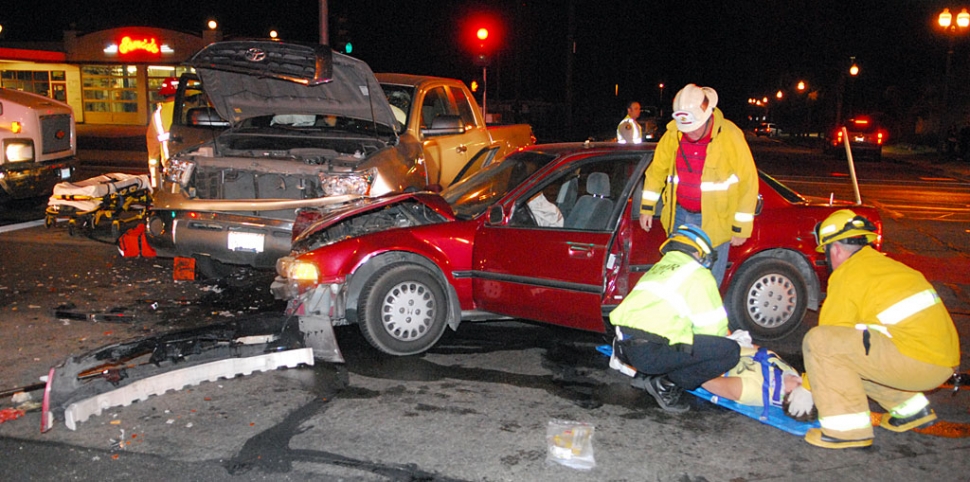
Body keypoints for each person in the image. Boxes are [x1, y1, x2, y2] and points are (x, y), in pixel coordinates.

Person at [793, 209, 960, 449]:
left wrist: (807, 388)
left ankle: (847, 431)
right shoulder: (885, 267)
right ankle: (911, 410)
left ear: (835, 249)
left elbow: (828, 336)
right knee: (856, 353)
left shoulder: (848, 275)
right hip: (938, 361)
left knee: (819, 341)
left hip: (918, 363)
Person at [609, 224, 740, 413]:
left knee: (680, 340)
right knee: (729, 351)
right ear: (699, 252)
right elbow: (713, 331)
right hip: (649, 353)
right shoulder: (698, 274)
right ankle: (665, 384)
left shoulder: (660, 268)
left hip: (624, 348)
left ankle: (646, 377)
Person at [638, 84, 759, 286]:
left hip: (714, 222)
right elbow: (656, 171)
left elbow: (748, 181)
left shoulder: (729, 135)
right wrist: (647, 209)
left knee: (708, 282)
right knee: (677, 280)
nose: (689, 133)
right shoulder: (673, 134)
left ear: (707, 116)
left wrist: (741, 229)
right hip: (679, 217)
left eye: (693, 128)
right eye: (685, 128)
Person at [147, 77, 178, 188]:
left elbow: (153, 143)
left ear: (164, 94)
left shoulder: (157, 115)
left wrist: (154, 169)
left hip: (170, 167)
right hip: (193, 163)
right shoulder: (191, 109)